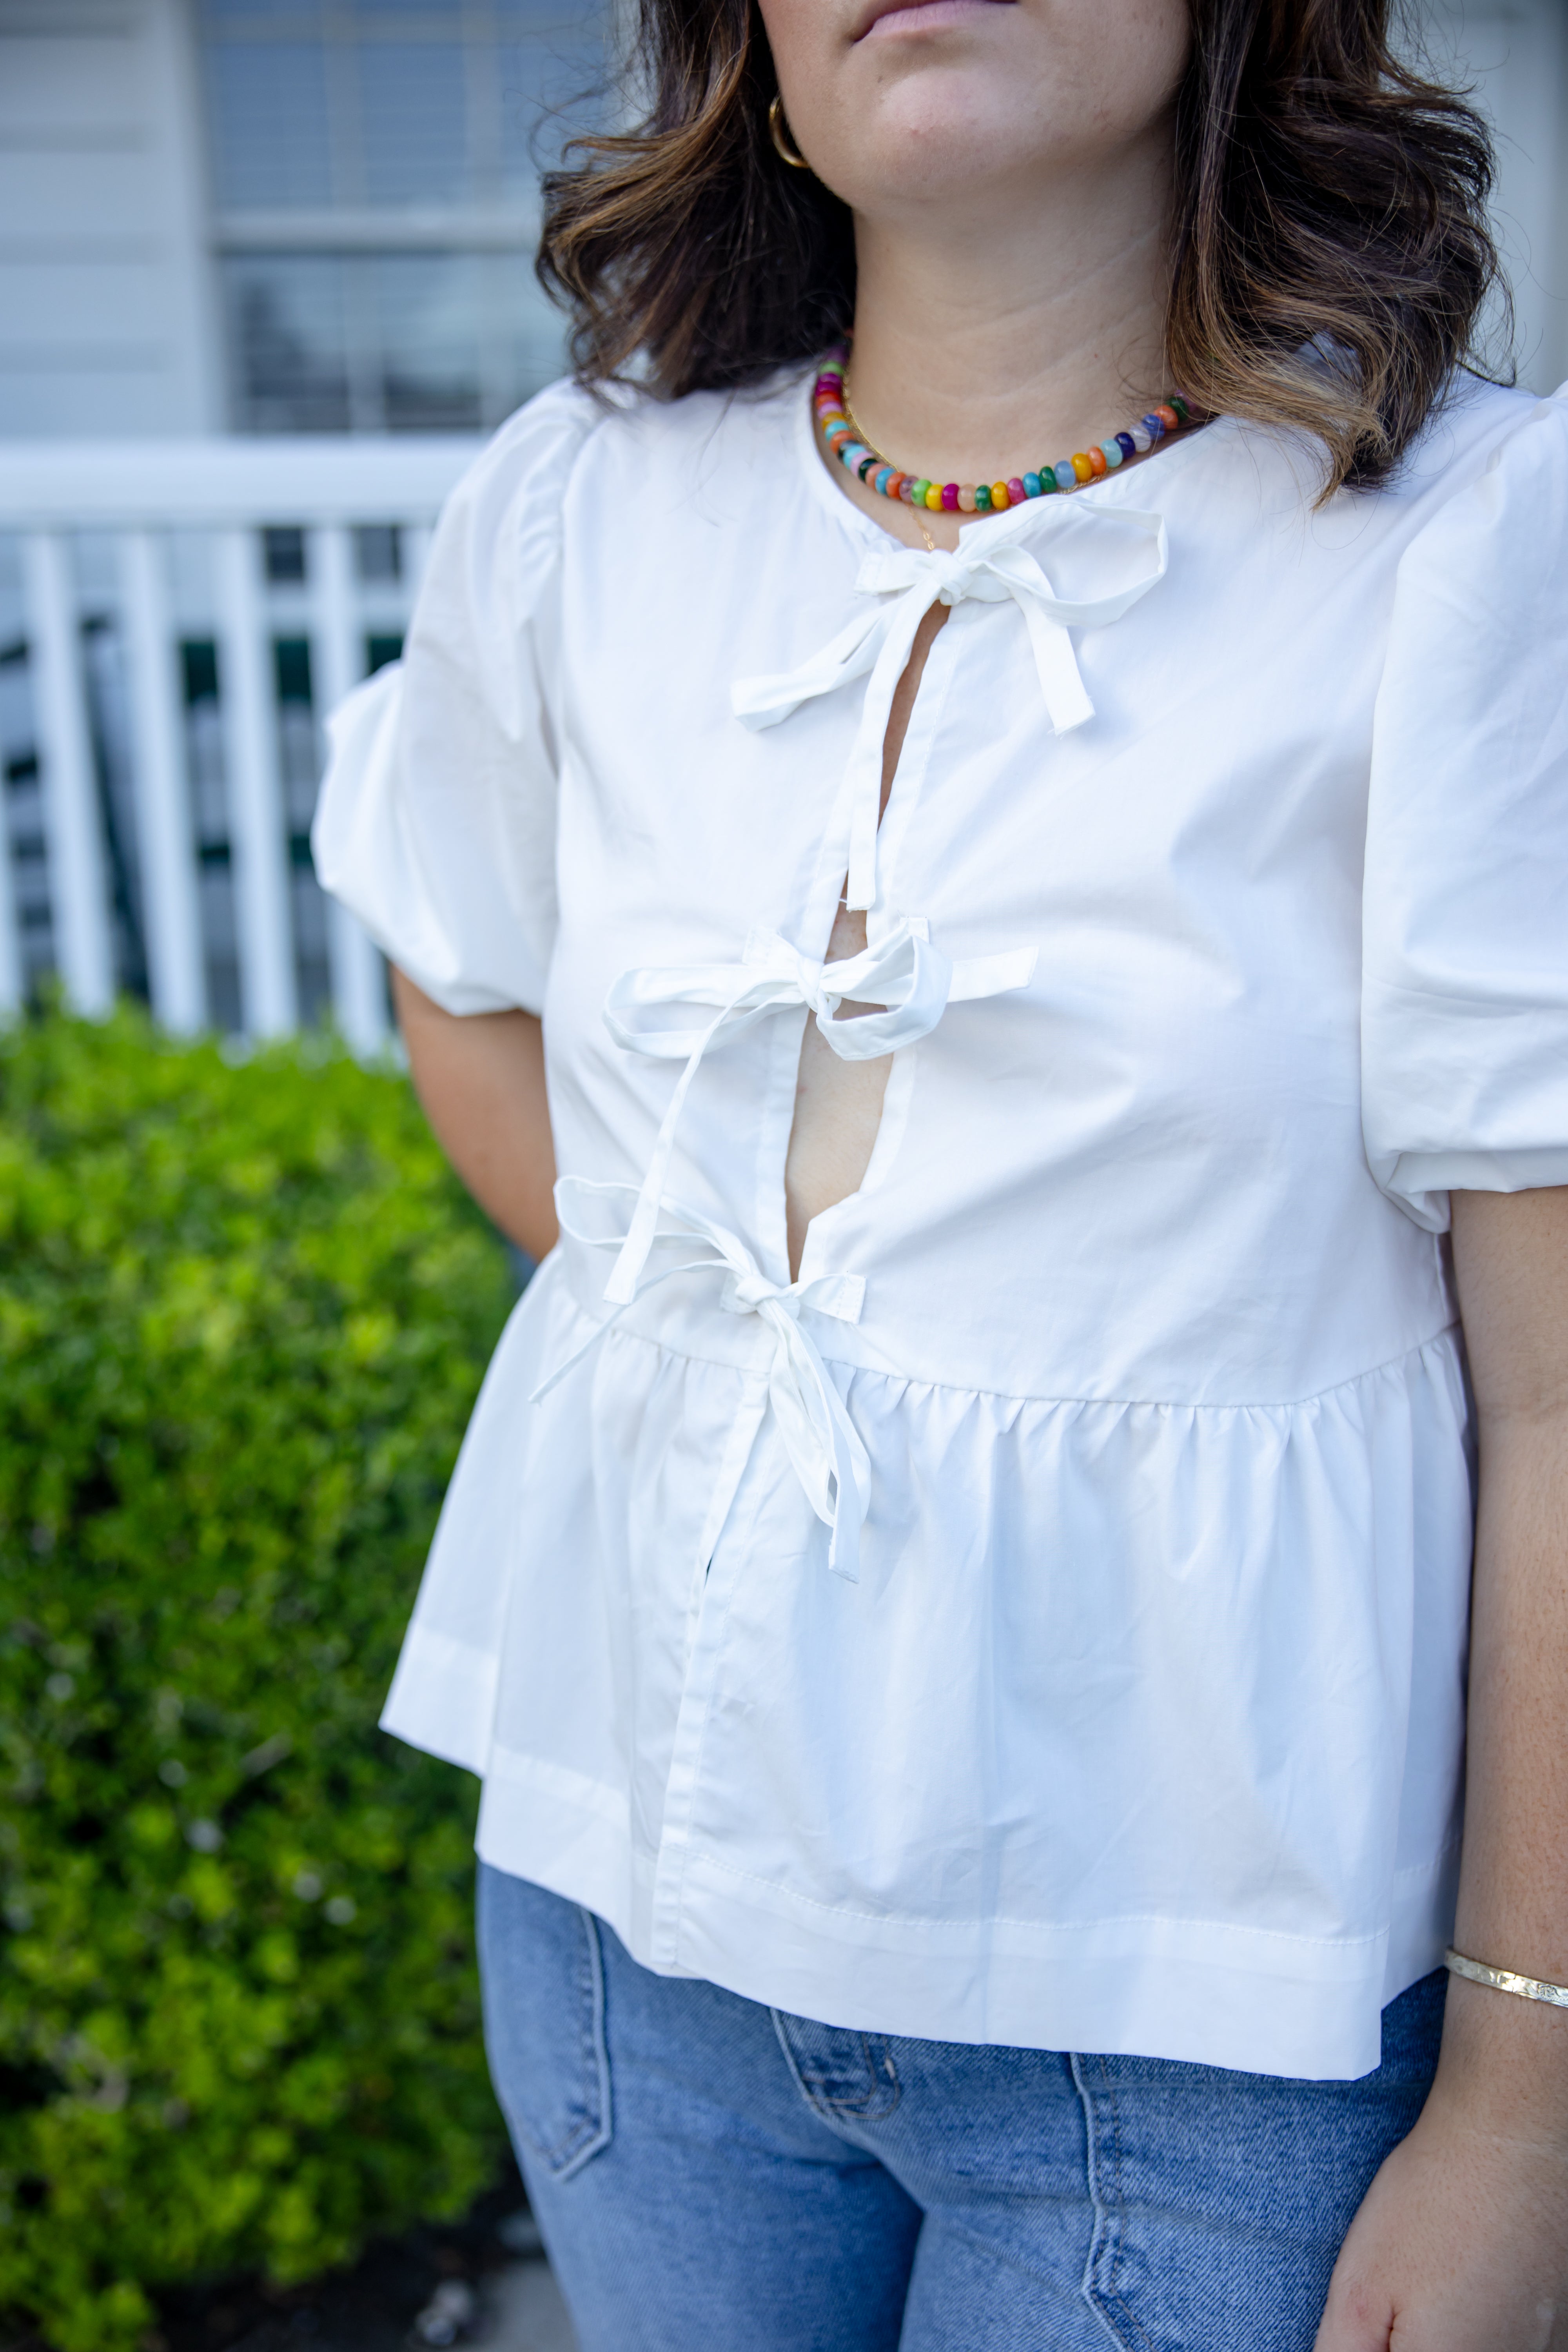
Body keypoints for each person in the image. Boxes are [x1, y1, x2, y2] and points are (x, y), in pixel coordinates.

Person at [313, 0, 1568, 2342]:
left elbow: (1561, 1396)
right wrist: (707, 1340)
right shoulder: (579, 503)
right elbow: (451, 962)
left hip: (1196, 2021)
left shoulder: (1477, 548)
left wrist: (1526, 2096)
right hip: (619, 1921)